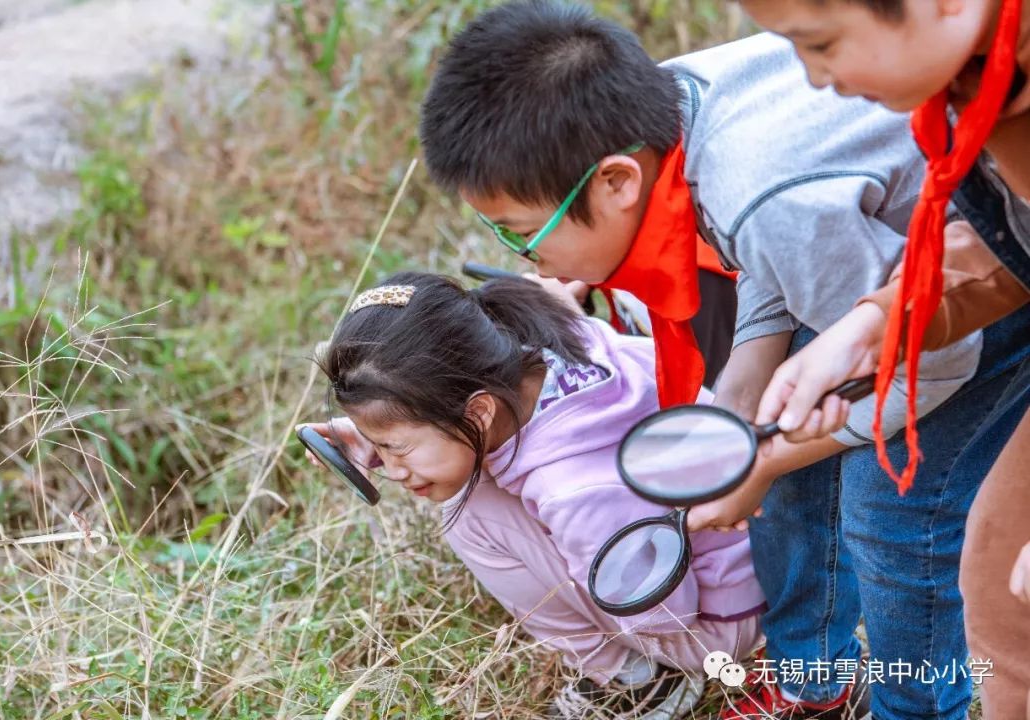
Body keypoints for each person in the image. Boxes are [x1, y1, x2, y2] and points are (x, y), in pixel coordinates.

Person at [417, 2, 1030, 717]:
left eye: (523, 234)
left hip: (984, 281)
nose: (529, 260)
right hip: (909, 264)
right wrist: (743, 384)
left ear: (616, 182)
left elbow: (934, 365)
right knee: (786, 445)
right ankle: (812, 683)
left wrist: (764, 463)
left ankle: (916, 707)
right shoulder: (670, 112)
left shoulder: (757, 192)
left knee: (890, 511)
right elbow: (766, 252)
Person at [725, 0, 1030, 715]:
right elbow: (1012, 236)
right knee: (998, 586)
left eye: (821, 43)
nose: (814, 77)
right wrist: (875, 326)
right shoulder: (977, 81)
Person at [305, 272, 765, 719]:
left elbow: (661, 612)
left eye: (397, 448)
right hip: (750, 558)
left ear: (478, 412)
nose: (394, 470)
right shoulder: (549, 345)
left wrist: (588, 574)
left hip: (715, 626)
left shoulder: (575, 494)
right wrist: (379, 434)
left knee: (469, 517)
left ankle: (636, 678)